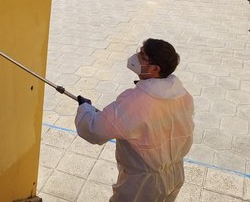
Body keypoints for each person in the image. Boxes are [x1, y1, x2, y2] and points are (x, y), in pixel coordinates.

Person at [75, 38, 194, 202]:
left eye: (142, 56)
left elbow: (94, 130)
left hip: (144, 185)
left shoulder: (136, 101)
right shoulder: (182, 94)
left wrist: (85, 108)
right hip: (175, 174)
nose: (136, 56)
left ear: (154, 69)